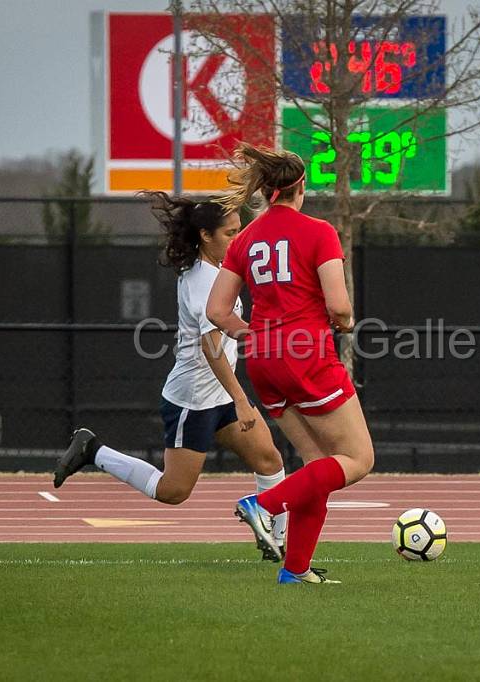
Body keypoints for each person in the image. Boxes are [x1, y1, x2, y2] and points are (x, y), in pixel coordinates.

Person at [53, 192, 288, 560]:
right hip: (193, 399)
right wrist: (243, 401)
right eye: (230, 233)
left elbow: (227, 328)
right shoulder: (202, 279)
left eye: (240, 230)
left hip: (220, 395)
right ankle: (93, 450)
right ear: (206, 236)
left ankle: (279, 544)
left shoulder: (220, 272)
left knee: (270, 461)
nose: (238, 238)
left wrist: (262, 335)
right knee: (173, 491)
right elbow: (212, 348)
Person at [206, 144, 374, 584]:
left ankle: (295, 570)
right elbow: (338, 307)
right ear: (300, 188)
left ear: (265, 191)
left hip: (263, 360)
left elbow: (217, 312)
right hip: (307, 356)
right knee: (358, 459)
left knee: (318, 464)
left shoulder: (244, 239)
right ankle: (262, 505)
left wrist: (255, 336)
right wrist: (347, 320)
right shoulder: (318, 231)